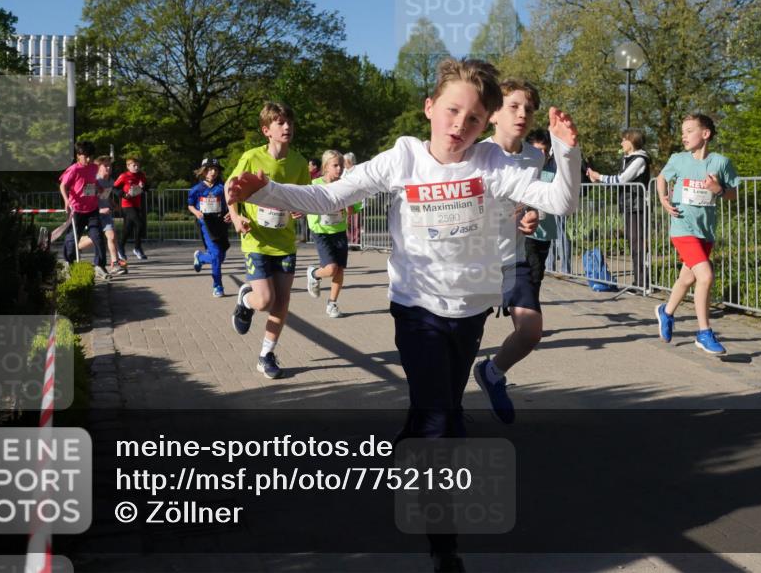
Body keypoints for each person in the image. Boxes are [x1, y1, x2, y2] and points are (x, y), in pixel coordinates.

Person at [226, 58, 581, 573]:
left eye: (475, 118)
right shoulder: (403, 158)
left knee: (437, 406)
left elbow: (560, 200)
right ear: (429, 107)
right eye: (452, 111)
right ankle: (444, 543)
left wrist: (566, 150)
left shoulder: (490, 163)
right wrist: (265, 191)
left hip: (470, 309)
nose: (460, 125)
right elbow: (328, 194)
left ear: (486, 125)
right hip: (415, 308)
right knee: (444, 421)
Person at [472, 80, 545, 425]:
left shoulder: (535, 156)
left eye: (528, 109)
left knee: (530, 331)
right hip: (476, 260)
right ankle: (445, 412)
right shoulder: (477, 154)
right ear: (493, 114)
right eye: (514, 106)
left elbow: (533, 200)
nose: (522, 114)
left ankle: (492, 373)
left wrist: (533, 214)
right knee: (462, 342)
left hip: (513, 257)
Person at [227, 102, 310, 380]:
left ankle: (266, 355)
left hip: (284, 242)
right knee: (264, 300)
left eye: (289, 122)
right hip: (256, 240)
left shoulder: (298, 162)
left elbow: (303, 196)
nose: (287, 127)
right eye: (280, 123)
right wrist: (236, 217)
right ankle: (246, 302)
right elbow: (231, 189)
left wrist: (302, 208)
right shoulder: (251, 157)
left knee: (282, 302)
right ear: (267, 130)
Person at [654, 113, 739, 354]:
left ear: (705, 134)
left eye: (689, 130)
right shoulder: (678, 159)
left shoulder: (720, 162)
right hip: (682, 227)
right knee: (706, 276)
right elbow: (661, 178)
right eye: (683, 131)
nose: (684, 135)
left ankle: (666, 312)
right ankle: (704, 332)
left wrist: (719, 189)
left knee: (687, 278)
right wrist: (663, 198)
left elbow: (735, 193)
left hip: (705, 231)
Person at [587, 128, 651, 289]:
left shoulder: (640, 159)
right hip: (629, 206)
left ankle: (643, 283)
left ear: (632, 141)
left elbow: (621, 179)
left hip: (638, 206)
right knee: (634, 243)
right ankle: (639, 282)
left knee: (638, 244)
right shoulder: (627, 158)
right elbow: (618, 181)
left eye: (624, 139)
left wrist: (599, 176)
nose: (621, 142)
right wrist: (599, 181)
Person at [305, 150, 360, 318]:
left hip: (339, 231)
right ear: (325, 167)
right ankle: (314, 273)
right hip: (321, 231)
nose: (339, 169)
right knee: (331, 269)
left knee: (340, 270)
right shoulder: (315, 184)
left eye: (341, 166)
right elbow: (304, 202)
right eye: (335, 165)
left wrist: (347, 204)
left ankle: (332, 303)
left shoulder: (345, 185)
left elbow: (353, 209)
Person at [59, 141, 109, 280]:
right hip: (77, 210)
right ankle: (68, 263)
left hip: (92, 209)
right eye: (85, 157)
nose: (89, 160)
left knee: (98, 237)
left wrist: (99, 187)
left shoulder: (94, 167)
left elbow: (93, 181)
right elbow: (63, 186)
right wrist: (66, 200)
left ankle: (99, 265)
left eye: (91, 157)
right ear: (78, 156)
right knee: (72, 238)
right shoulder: (74, 169)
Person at [188, 157, 232, 298]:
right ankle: (217, 286)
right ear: (203, 171)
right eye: (209, 169)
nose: (213, 172)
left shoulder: (223, 187)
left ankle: (200, 258)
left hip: (221, 223)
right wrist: (197, 212)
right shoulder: (197, 189)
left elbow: (231, 204)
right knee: (216, 256)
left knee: (221, 256)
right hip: (206, 224)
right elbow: (190, 205)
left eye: (215, 169)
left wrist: (230, 213)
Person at [524, 130, 560, 298]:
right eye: (538, 150)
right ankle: (528, 309)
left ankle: (527, 305)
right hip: (526, 233)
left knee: (537, 275)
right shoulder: (521, 172)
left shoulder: (553, 173)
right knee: (533, 273)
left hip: (546, 233)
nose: (543, 154)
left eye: (545, 150)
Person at [91, 155, 127, 276]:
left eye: (110, 166)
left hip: (106, 215)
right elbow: (87, 201)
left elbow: (105, 196)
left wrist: (113, 204)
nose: (108, 168)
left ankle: (115, 264)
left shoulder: (110, 181)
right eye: (105, 166)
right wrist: (100, 210)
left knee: (111, 236)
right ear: (98, 167)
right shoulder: (93, 181)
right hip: (94, 215)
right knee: (93, 239)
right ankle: (75, 246)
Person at [114, 156, 148, 261]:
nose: (136, 167)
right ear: (128, 166)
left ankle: (120, 247)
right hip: (127, 205)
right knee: (139, 223)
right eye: (134, 165)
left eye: (138, 165)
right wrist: (124, 195)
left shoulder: (141, 175)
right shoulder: (124, 176)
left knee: (127, 229)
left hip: (137, 205)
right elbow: (114, 188)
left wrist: (143, 187)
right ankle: (137, 248)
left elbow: (147, 187)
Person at [343, 152, 360, 246]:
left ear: (350, 161)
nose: (344, 163)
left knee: (356, 222)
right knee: (347, 221)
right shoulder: (343, 171)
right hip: (347, 199)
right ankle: (349, 241)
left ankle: (356, 241)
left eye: (345, 161)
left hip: (357, 200)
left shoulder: (357, 170)